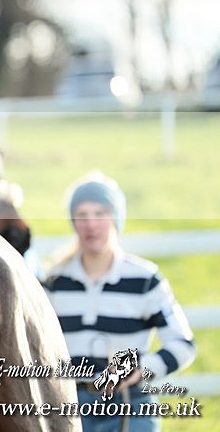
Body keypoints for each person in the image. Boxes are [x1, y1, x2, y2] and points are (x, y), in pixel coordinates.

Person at [43, 172, 196, 432]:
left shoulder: (145, 279)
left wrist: (141, 370)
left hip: (131, 404)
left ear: (116, 218)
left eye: (100, 214)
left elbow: (183, 344)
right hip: (71, 406)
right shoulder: (54, 282)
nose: (91, 224)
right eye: (82, 215)